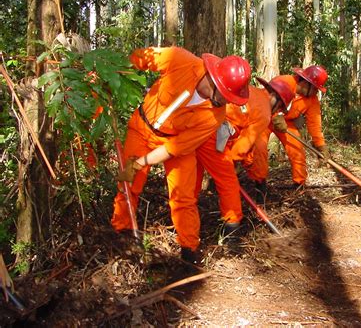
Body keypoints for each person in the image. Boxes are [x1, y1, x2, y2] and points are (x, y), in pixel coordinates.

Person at [111, 46, 251, 264]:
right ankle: (122, 235)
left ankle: (189, 252)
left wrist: (140, 163)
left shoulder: (216, 116)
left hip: (174, 144)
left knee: (183, 198)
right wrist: (113, 74)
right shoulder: (179, 59)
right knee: (128, 186)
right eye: (226, 97)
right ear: (215, 83)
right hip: (141, 128)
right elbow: (141, 58)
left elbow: (175, 147)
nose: (227, 102)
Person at [194, 75, 296, 243]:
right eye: (280, 107)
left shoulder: (252, 92)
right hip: (216, 132)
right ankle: (231, 232)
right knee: (229, 183)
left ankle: (184, 220)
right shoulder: (264, 114)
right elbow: (244, 144)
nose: (277, 111)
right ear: (276, 99)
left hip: (201, 124)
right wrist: (232, 163)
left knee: (193, 176)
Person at [247, 65, 329, 195]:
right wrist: (275, 116)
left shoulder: (312, 100)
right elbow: (267, 100)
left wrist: (320, 146)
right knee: (260, 148)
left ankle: (299, 185)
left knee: (297, 149)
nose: (316, 92)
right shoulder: (285, 81)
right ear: (306, 83)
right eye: (315, 89)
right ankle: (259, 185)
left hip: (287, 123)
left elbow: (314, 124)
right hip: (265, 118)